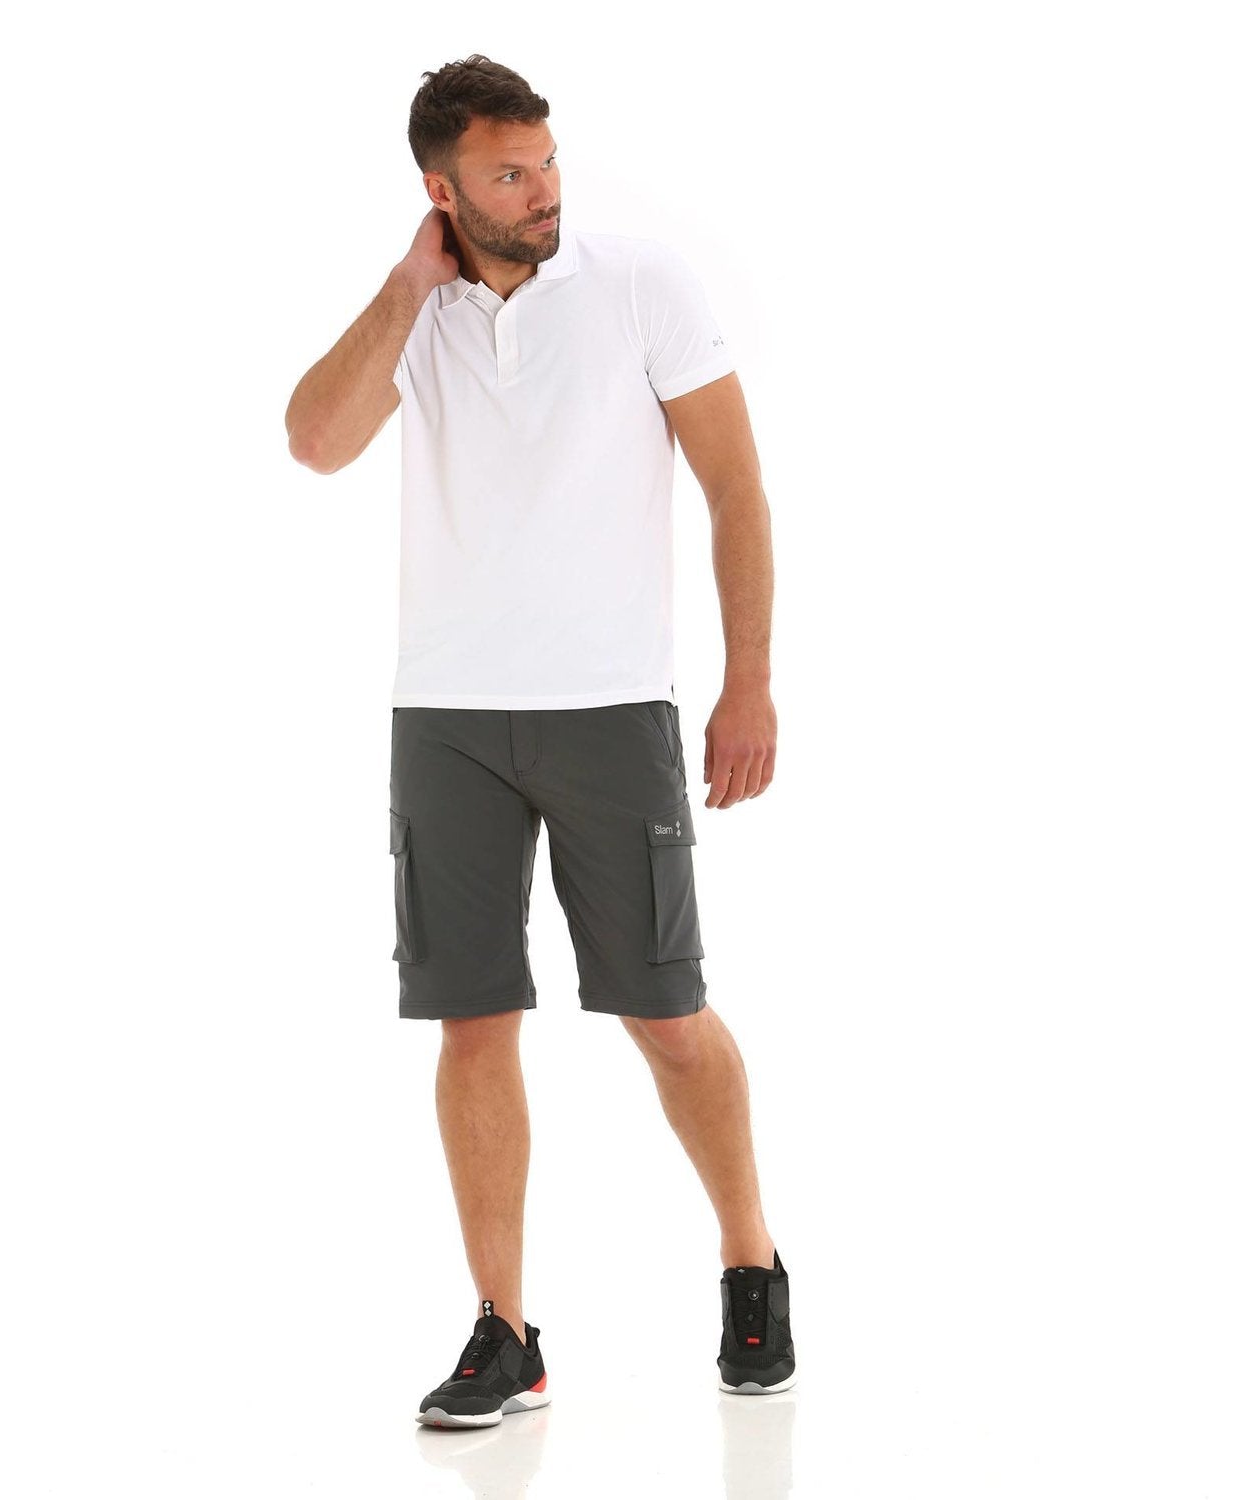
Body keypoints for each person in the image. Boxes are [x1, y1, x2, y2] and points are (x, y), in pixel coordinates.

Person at [285, 54, 795, 1429]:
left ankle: (751, 1259)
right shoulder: (421, 313)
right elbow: (315, 442)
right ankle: (505, 1331)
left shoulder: (640, 287)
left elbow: (737, 487)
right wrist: (408, 289)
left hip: (611, 708)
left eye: (548, 162)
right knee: (473, 1020)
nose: (543, 191)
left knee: (666, 1014)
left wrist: (747, 682)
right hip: (447, 715)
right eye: (509, 174)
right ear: (442, 188)